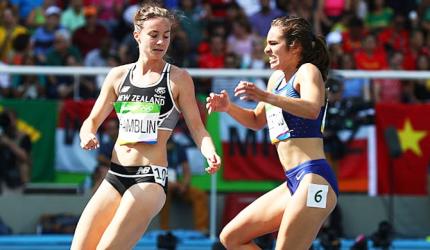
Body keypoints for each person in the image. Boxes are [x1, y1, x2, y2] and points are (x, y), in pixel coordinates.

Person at [71, 3, 221, 250]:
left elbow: (198, 128)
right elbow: (92, 120)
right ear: (137, 35)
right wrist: (87, 133)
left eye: (166, 35)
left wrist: (209, 151)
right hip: (115, 176)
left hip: (150, 178)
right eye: (154, 35)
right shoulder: (118, 75)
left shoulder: (179, 79)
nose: (161, 41)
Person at [207, 16, 339, 249]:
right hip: (292, 182)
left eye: (273, 43)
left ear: (295, 46)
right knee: (231, 238)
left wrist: (266, 97)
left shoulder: (308, 71)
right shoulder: (276, 79)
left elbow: (311, 108)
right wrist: (228, 108)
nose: (266, 49)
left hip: (314, 179)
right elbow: (257, 121)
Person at [159, 138, 209, 233]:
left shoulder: (178, 147)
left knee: (199, 194)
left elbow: (186, 170)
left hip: (177, 185)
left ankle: (201, 229)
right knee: (164, 193)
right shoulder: (155, 147)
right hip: (161, 185)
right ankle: (164, 229)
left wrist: (184, 185)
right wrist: (167, 183)